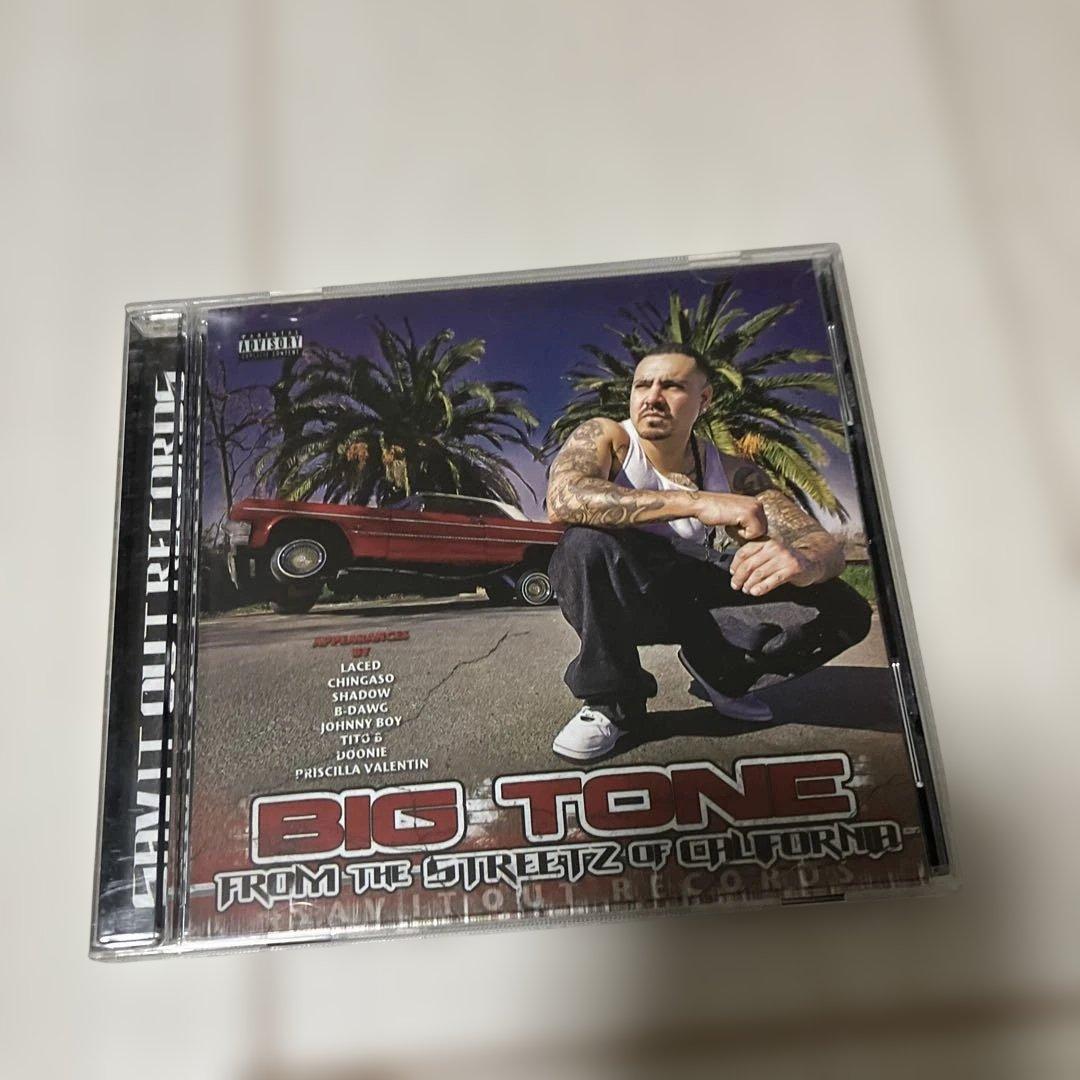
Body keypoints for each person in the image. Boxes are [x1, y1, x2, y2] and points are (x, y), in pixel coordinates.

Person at [546, 342, 872, 761]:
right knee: (584, 542)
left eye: (672, 386)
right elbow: (564, 498)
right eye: (642, 385)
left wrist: (804, 560)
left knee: (846, 607)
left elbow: (823, 544)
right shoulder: (608, 436)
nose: (652, 397)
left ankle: (723, 674)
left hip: (692, 593)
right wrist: (697, 502)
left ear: (704, 400)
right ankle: (613, 703)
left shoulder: (732, 470)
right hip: (623, 594)